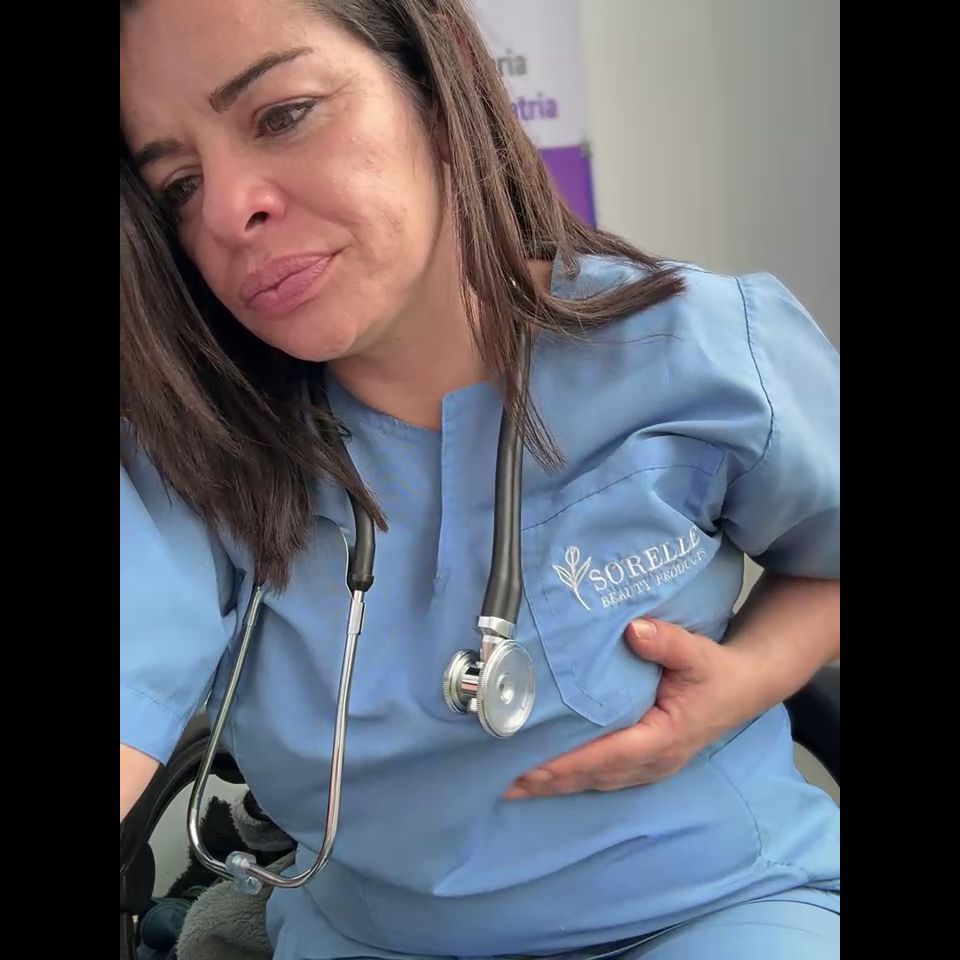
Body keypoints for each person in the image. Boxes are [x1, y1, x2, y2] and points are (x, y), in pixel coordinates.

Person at [119, 2, 840, 958]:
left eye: (283, 114)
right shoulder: (193, 458)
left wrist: (751, 676)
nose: (225, 210)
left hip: (710, 911)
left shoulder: (699, 351)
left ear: (434, 86)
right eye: (178, 185)